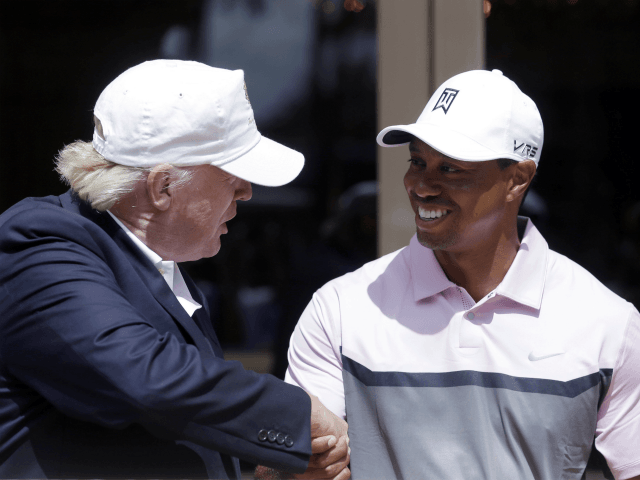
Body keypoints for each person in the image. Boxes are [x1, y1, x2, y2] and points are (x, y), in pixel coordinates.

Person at [0, 60, 350, 480]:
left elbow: (165, 425)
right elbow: (142, 377)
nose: (247, 190)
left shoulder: (152, 262)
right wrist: (298, 415)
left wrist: (260, 464)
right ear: (162, 186)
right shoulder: (39, 244)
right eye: (232, 175)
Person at [284, 69, 640, 479]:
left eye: (451, 168)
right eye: (417, 161)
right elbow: (285, 464)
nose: (422, 185)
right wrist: (294, 467)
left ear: (517, 179)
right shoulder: (342, 309)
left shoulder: (606, 322)